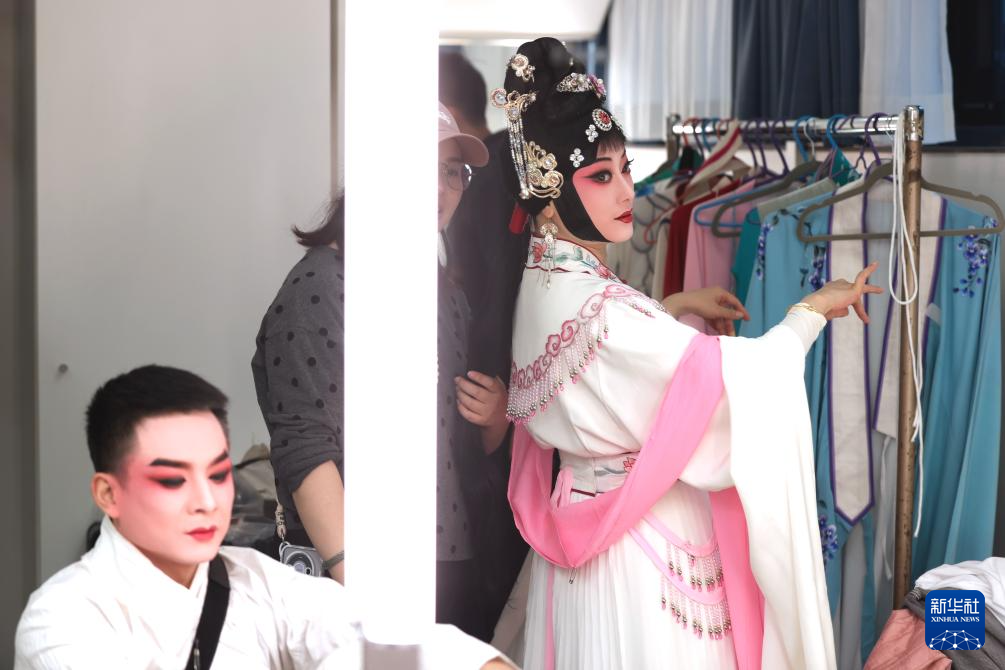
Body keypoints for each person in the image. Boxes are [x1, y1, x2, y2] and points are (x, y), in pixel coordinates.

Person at [494, 38, 882, 669]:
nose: (626, 190)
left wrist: (668, 306)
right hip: (640, 550)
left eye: (625, 170)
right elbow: (724, 385)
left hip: (585, 538)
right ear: (549, 188)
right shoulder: (601, 310)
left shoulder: (544, 283)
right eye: (600, 177)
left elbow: (607, 365)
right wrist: (809, 314)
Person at [13, 365, 513, 669]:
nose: (207, 501)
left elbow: (377, 635)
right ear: (109, 494)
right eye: (171, 480)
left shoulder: (253, 579)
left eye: (218, 474)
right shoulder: (60, 619)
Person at [251, 192, 347, 582]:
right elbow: (306, 444)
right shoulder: (319, 286)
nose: (441, 188)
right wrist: (355, 578)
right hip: (347, 568)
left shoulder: (433, 285)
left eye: (454, 172)